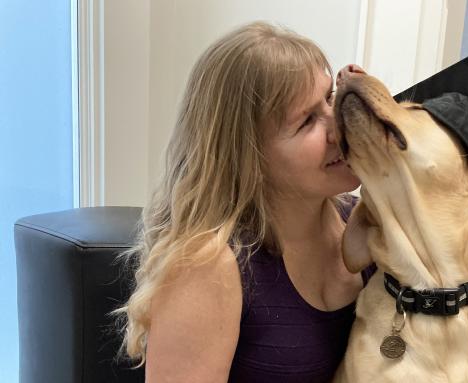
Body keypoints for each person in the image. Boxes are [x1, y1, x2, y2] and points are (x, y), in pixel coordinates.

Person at [114, 21, 373, 382]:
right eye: (307, 121)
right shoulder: (207, 266)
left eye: (330, 98)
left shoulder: (363, 220)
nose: (339, 126)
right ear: (248, 155)